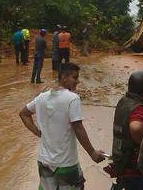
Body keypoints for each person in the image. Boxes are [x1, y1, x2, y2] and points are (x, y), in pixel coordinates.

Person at [19, 62, 106, 190]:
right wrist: (92, 152)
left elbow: (23, 114)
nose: (78, 81)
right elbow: (78, 128)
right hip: (66, 164)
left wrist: (38, 133)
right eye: (75, 77)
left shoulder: (41, 98)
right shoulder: (72, 99)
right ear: (64, 78)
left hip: (44, 161)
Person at [111, 71, 143, 190]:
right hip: (137, 170)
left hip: (122, 164)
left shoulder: (123, 102)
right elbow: (136, 128)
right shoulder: (139, 109)